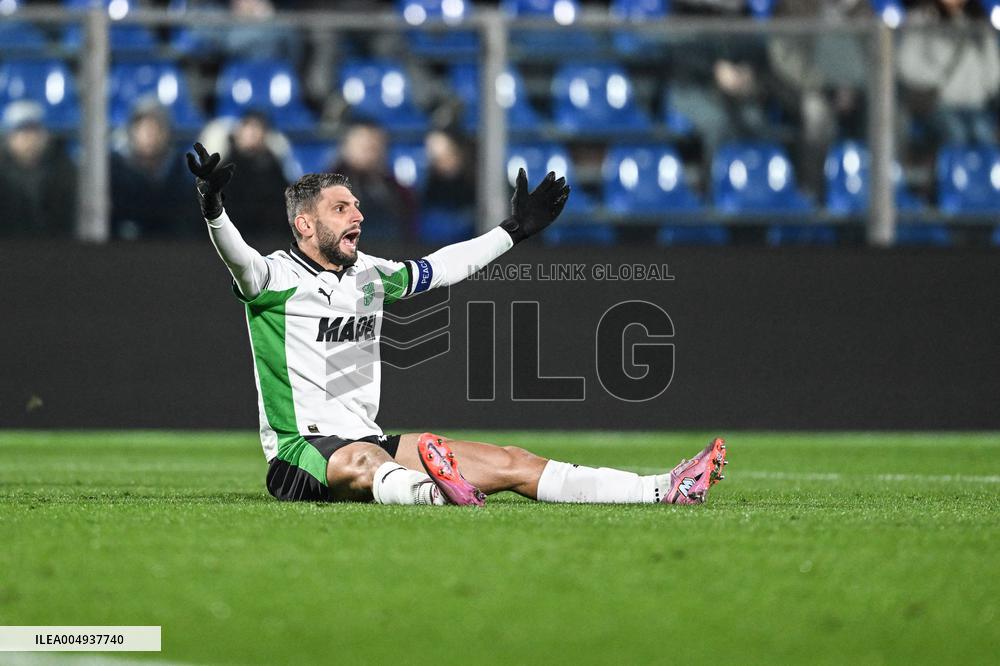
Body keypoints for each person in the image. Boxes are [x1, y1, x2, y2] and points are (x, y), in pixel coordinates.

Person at [186, 142, 728, 506]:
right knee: (362, 460)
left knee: (513, 462)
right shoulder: (272, 279)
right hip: (301, 454)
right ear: (305, 224)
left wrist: (514, 229)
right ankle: (433, 492)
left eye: (357, 206)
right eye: (341, 208)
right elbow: (234, 253)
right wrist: (212, 205)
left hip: (372, 440)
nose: (358, 215)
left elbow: (446, 266)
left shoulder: (374, 275)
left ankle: (662, 488)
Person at [111, 97, 200, 239]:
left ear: (166, 132)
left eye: (156, 127)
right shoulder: (116, 172)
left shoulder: (180, 171)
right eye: (142, 127)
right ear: (131, 132)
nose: (149, 134)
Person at [328, 122, 418, 243]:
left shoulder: (397, 191)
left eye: (374, 147)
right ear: (346, 147)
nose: (369, 152)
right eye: (363, 146)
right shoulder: (326, 188)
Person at [0, 100, 77, 238]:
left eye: (35, 131)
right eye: (23, 131)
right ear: (9, 138)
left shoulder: (63, 170)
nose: (31, 139)